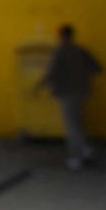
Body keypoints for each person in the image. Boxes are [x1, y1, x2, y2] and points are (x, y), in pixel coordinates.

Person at [42, 22, 101, 169]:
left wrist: (41, 86)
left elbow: (50, 73)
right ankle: (85, 150)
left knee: (71, 126)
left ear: (61, 35)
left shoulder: (59, 51)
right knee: (78, 122)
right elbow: (97, 68)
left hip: (67, 92)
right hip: (82, 91)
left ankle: (77, 157)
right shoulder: (80, 50)